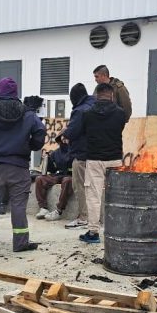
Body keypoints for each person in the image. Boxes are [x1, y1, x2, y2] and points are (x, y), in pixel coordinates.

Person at [0, 77, 46, 252]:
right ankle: (20, 243)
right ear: (15, 93)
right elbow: (40, 133)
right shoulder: (27, 113)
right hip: (19, 167)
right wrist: (31, 145)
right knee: (19, 206)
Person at [80, 83, 126, 244]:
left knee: (93, 197)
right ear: (112, 95)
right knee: (116, 196)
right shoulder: (120, 114)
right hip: (115, 160)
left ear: (97, 96)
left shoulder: (87, 114)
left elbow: (82, 133)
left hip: (94, 160)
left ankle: (93, 232)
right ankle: (118, 229)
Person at [60, 83, 95, 229]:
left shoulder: (80, 111)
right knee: (93, 188)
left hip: (82, 155)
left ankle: (83, 218)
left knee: (80, 186)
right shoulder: (95, 105)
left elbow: (73, 131)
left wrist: (65, 132)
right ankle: (93, 218)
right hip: (97, 155)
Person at [34, 137, 73, 222]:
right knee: (40, 179)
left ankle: (59, 211)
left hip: (71, 176)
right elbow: (52, 169)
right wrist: (47, 160)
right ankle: (43, 208)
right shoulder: (56, 152)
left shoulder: (76, 150)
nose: (64, 140)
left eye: (66, 138)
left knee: (67, 181)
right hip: (59, 175)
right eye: (62, 138)